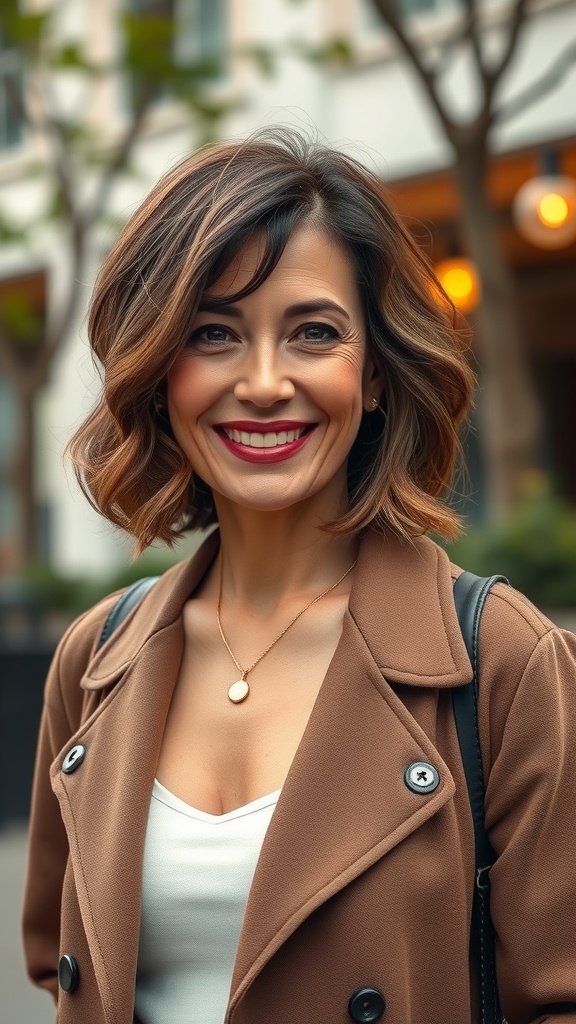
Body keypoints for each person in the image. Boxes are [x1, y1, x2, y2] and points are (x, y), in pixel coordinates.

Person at [22, 129, 576, 1024]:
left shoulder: (504, 661)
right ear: (163, 373)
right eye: (215, 334)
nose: (267, 381)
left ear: (378, 375)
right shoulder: (95, 659)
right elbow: (59, 963)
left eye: (313, 332)